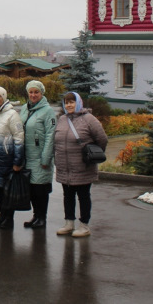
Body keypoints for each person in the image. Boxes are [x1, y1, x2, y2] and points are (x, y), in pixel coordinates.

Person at [54, 92, 108, 238]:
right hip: (64, 166)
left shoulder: (89, 119)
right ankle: (69, 223)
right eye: (66, 102)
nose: (69, 105)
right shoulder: (62, 119)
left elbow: (102, 139)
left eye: (72, 102)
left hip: (83, 166)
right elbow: (56, 140)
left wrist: (93, 155)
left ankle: (84, 225)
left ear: (78, 102)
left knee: (83, 196)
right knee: (68, 196)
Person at [0, 86, 24, 230]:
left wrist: (17, 161)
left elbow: (19, 138)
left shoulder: (12, 114)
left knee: (8, 191)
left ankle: (9, 219)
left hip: (7, 159)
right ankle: (2, 216)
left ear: (4, 97)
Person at [20, 80, 56, 229]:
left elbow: (51, 135)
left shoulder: (48, 111)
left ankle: (42, 217)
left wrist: (46, 157)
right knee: (32, 189)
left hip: (40, 157)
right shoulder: (24, 108)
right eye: (31, 92)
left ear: (42, 93)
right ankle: (35, 216)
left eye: (36, 92)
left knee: (41, 189)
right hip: (27, 156)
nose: (33, 95)